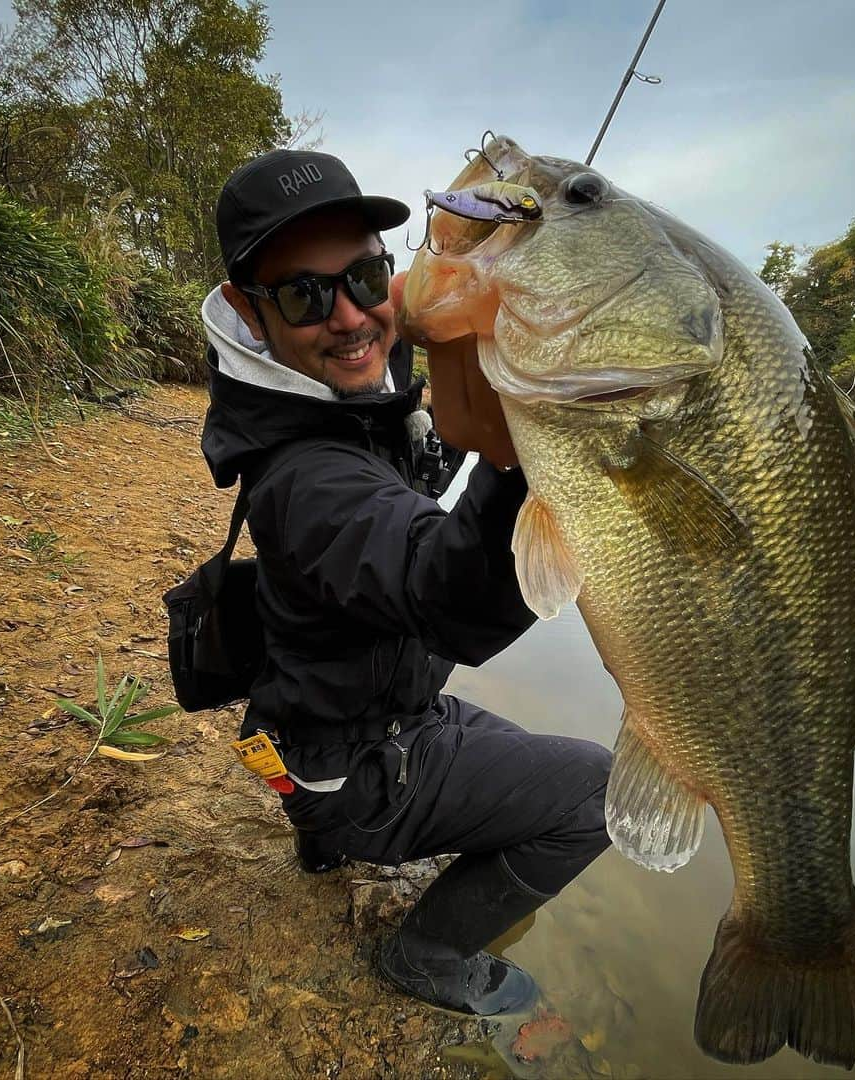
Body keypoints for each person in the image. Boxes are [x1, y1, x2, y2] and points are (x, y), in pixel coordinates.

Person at [199, 148, 611, 1016]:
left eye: (365, 275)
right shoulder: (306, 478)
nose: (351, 315)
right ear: (248, 308)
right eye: (308, 294)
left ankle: (323, 837)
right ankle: (424, 952)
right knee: (597, 794)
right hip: (357, 762)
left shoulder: (322, 398)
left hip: (310, 730)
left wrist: (456, 388)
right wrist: (524, 444)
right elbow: (449, 599)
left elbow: (407, 476)